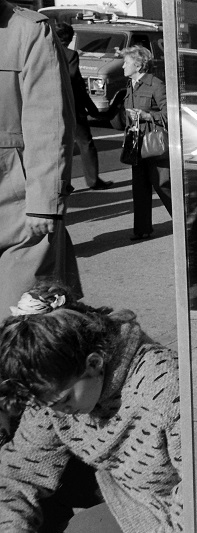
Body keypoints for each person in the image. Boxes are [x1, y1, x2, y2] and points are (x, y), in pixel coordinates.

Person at [0, 280, 183, 531]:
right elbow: (17, 475)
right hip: (132, 505)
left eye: (63, 400)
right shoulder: (53, 391)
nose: (55, 413)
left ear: (94, 363)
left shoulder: (165, 384)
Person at [0, 0, 82, 322]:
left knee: (24, 324)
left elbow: (50, 121)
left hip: (17, 208)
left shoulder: (29, 31)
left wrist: (44, 202)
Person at [110, 45, 172, 241]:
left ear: (138, 65)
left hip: (153, 144)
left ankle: (186, 226)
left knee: (164, 186)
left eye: (126, 63)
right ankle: (142, 230)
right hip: (136, 144)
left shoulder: (156, 84)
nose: (122, 67)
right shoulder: (129, 85)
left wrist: (147, 115)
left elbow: (169, 114)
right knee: (139, 189)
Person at [54, 22, 112, 192]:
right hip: (72, 106)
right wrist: (91, 108)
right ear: (70, 38)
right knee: (85, 143)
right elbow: (76, 82)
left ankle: (62, 183)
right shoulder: (70, 54)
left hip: (51, 106)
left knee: (59, 146)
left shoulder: (45, 52)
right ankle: (93, 180)